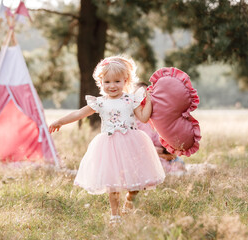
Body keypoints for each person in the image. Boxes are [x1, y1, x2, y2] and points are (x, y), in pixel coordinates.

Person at [49, 55, 165, 225]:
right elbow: (79, 113)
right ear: (101, 82)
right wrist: (60, 121)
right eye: (107, 82)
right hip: (109, 145)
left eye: (117, 81)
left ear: (125, 81)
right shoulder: (100, 102)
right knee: (113, 183)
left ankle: (129, 202)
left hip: (132, 142)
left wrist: (148, 101)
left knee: (135, 183)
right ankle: (115, 215)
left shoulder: (130, 99)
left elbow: (144, 118)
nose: (112, 86)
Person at [135, 82, 187, 176]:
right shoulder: (132, 122)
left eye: (145, 96)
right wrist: (151, 150)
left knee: (178, 164)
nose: (141, 100)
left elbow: (170, 150)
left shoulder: (157, 120)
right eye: (137, 96)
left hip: (162, 157)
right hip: (143, 157)